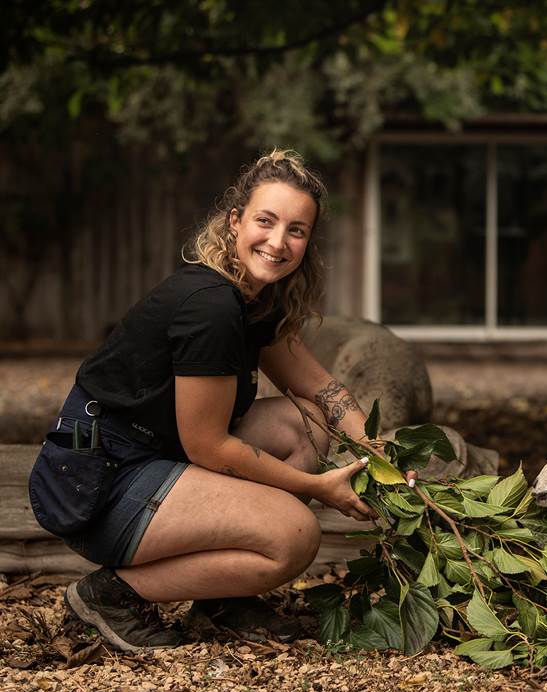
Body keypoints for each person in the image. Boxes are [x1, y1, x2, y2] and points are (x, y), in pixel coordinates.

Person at [28, 149, 414, 651]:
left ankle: (223, 594)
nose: (278, 242)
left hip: (153, 458)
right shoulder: (210, 307)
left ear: (308, 241)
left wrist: (381, 453)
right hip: (99, 487)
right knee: (293, 537)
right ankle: (112, 594)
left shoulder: (255, 298)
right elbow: (209, 447)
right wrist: (317, 487)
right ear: (235, 222)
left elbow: (321, 388)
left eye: (296, 230)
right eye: (265, 221)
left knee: (307, 422)